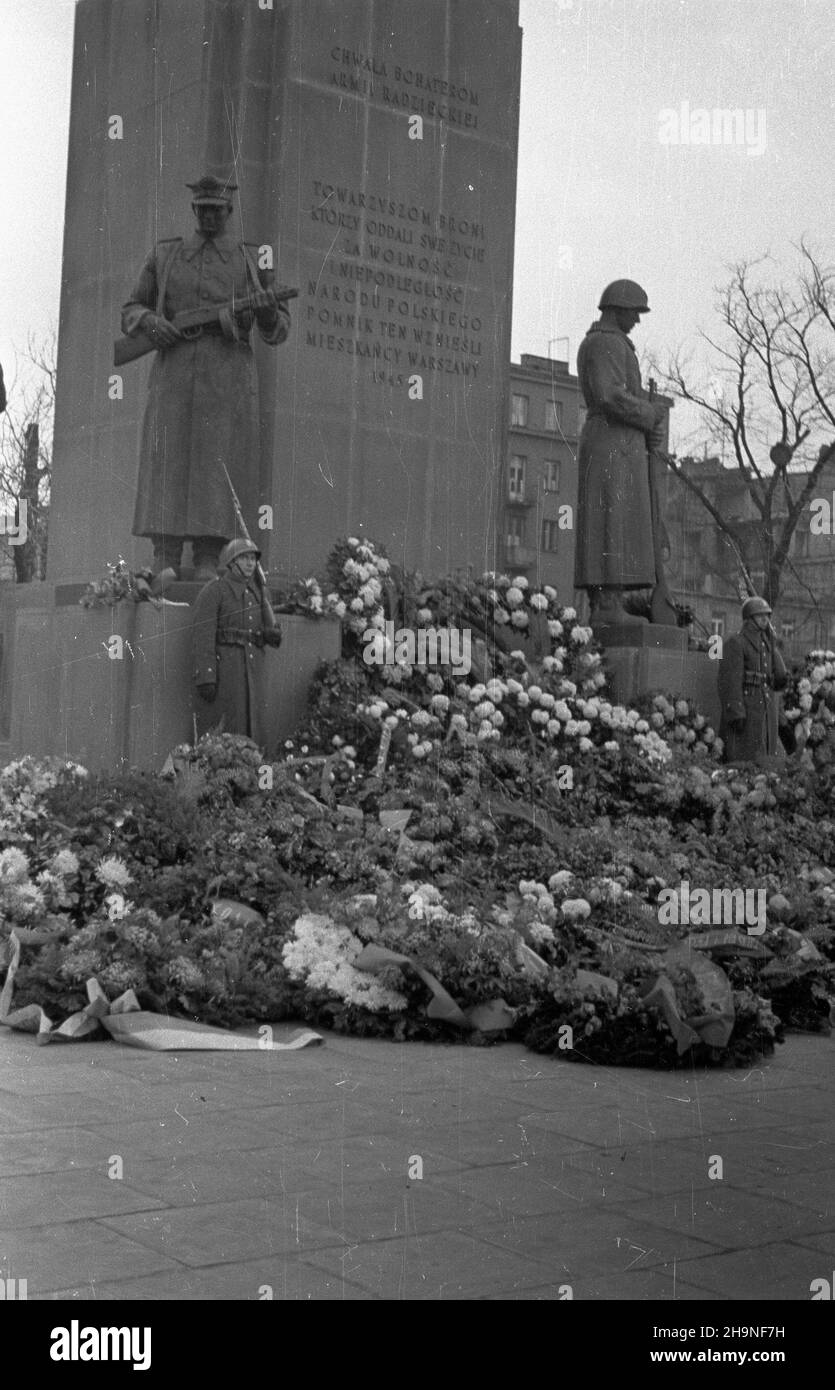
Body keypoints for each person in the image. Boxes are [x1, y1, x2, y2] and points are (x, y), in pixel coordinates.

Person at [121, 175, 290, 580]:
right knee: (168, 460)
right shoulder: (165, 255)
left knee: (217, 463)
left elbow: (278, 329)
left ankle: (208, 556)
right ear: (193, 210)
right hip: (175, 370)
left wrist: (266, 311)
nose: (210, 216)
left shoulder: (251, 258)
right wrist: (149, 321)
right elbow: (131, 307)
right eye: (203, 209)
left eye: (217, 209)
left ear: (229, 211)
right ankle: (164, 555)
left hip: (227, 374)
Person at [574, 280, 672, 627]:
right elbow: (608, 395)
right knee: (611, 520)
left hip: (621, 444)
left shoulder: (611, 344)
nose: (638, 321)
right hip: (611, 442)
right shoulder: (605, 343)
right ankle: (606, 606)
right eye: (635, 312)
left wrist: (648, 411)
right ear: (617, 308)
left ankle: (609, 603)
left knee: (619, 520)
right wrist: (649, 413)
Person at [191, 538, 282, 746]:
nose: (250, 563)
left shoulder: (259, 594)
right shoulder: (215, 590)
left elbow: (262, 632)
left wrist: (270, 634)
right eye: (244, 558)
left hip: (251, 670)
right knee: (227, 726)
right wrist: (206, 676)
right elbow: (203, 636)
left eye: (253, 559)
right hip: (226, 670)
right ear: (232, 562)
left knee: (252, 724)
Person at [717, 596, 787, 764]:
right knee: (743, 756)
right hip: (746, 709)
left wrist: (773, 645)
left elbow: (779, 678)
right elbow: (729, 681)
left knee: (765, 756)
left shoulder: (767, 643)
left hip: (764, 707)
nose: (765, 619)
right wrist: (735, 711)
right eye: (760, 615)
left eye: (767, 615)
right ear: (749, 618)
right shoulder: (736, 642)